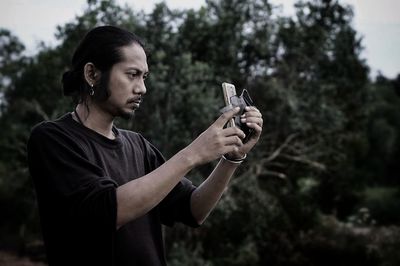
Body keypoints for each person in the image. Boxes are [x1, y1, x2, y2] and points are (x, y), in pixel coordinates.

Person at [27, 25, 263, 266]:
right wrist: (193, 154)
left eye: (144, 77)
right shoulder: (53, 139)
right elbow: (108, 212)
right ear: (92, 74)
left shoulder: (137, 146)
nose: (142, 88)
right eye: (132, 74)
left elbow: (194, 210)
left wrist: (231, 159)